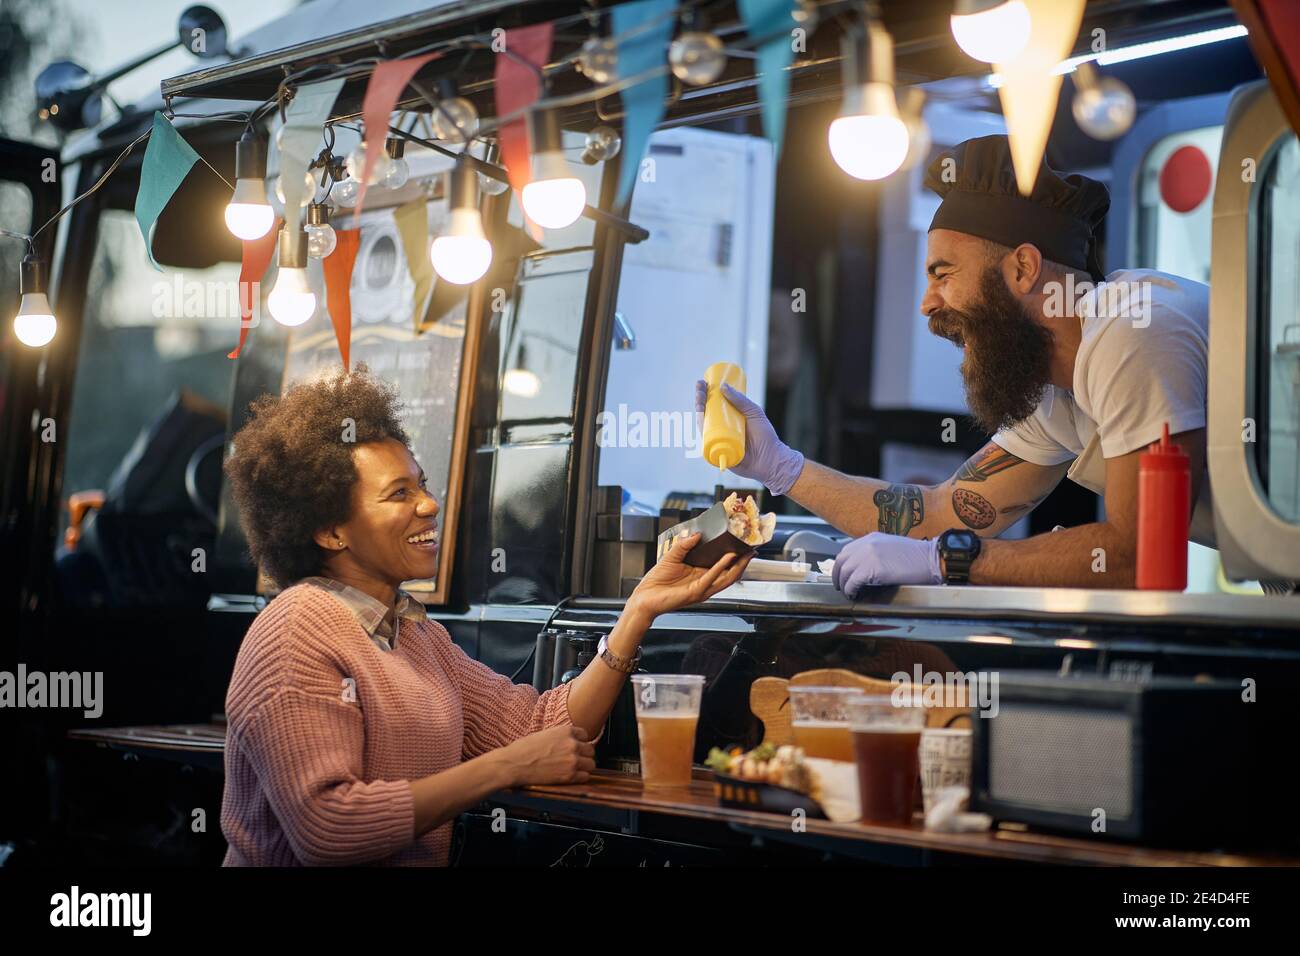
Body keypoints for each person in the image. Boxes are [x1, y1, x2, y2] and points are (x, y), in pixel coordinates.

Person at [220, 367, 750, 865]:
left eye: (422, 484)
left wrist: (640, 610)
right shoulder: (294, 631)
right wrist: (506, 768)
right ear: (330, 531)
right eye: (398, 494)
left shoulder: (415, 635)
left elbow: (545, 727)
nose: (429, 505)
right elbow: (328, 827)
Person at [697, 135, 1211, 593]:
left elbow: (1140, 556)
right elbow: (941, 512)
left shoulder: (1131, 331)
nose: (927, 302)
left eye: (943, 274)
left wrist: (949, 561)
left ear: (1024, 268)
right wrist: (782, 467)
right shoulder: (1054, 393)